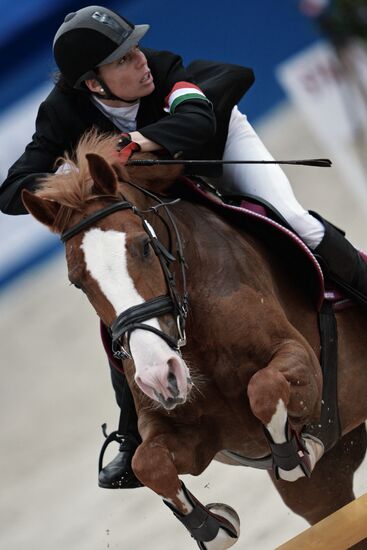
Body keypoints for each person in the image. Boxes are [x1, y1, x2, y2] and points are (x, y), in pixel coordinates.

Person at [1, 5, 367, 490]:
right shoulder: (60, 113)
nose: (140, 60)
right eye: (123, 58)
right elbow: (11, 192)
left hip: (218, 144)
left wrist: (135, 142)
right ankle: (132, 432)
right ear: (93, 84)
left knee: (294, 218)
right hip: (155, 196)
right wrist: (74, 173)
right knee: (121, 305)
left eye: (134, 48)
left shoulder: (166, 67)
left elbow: (195, 124)